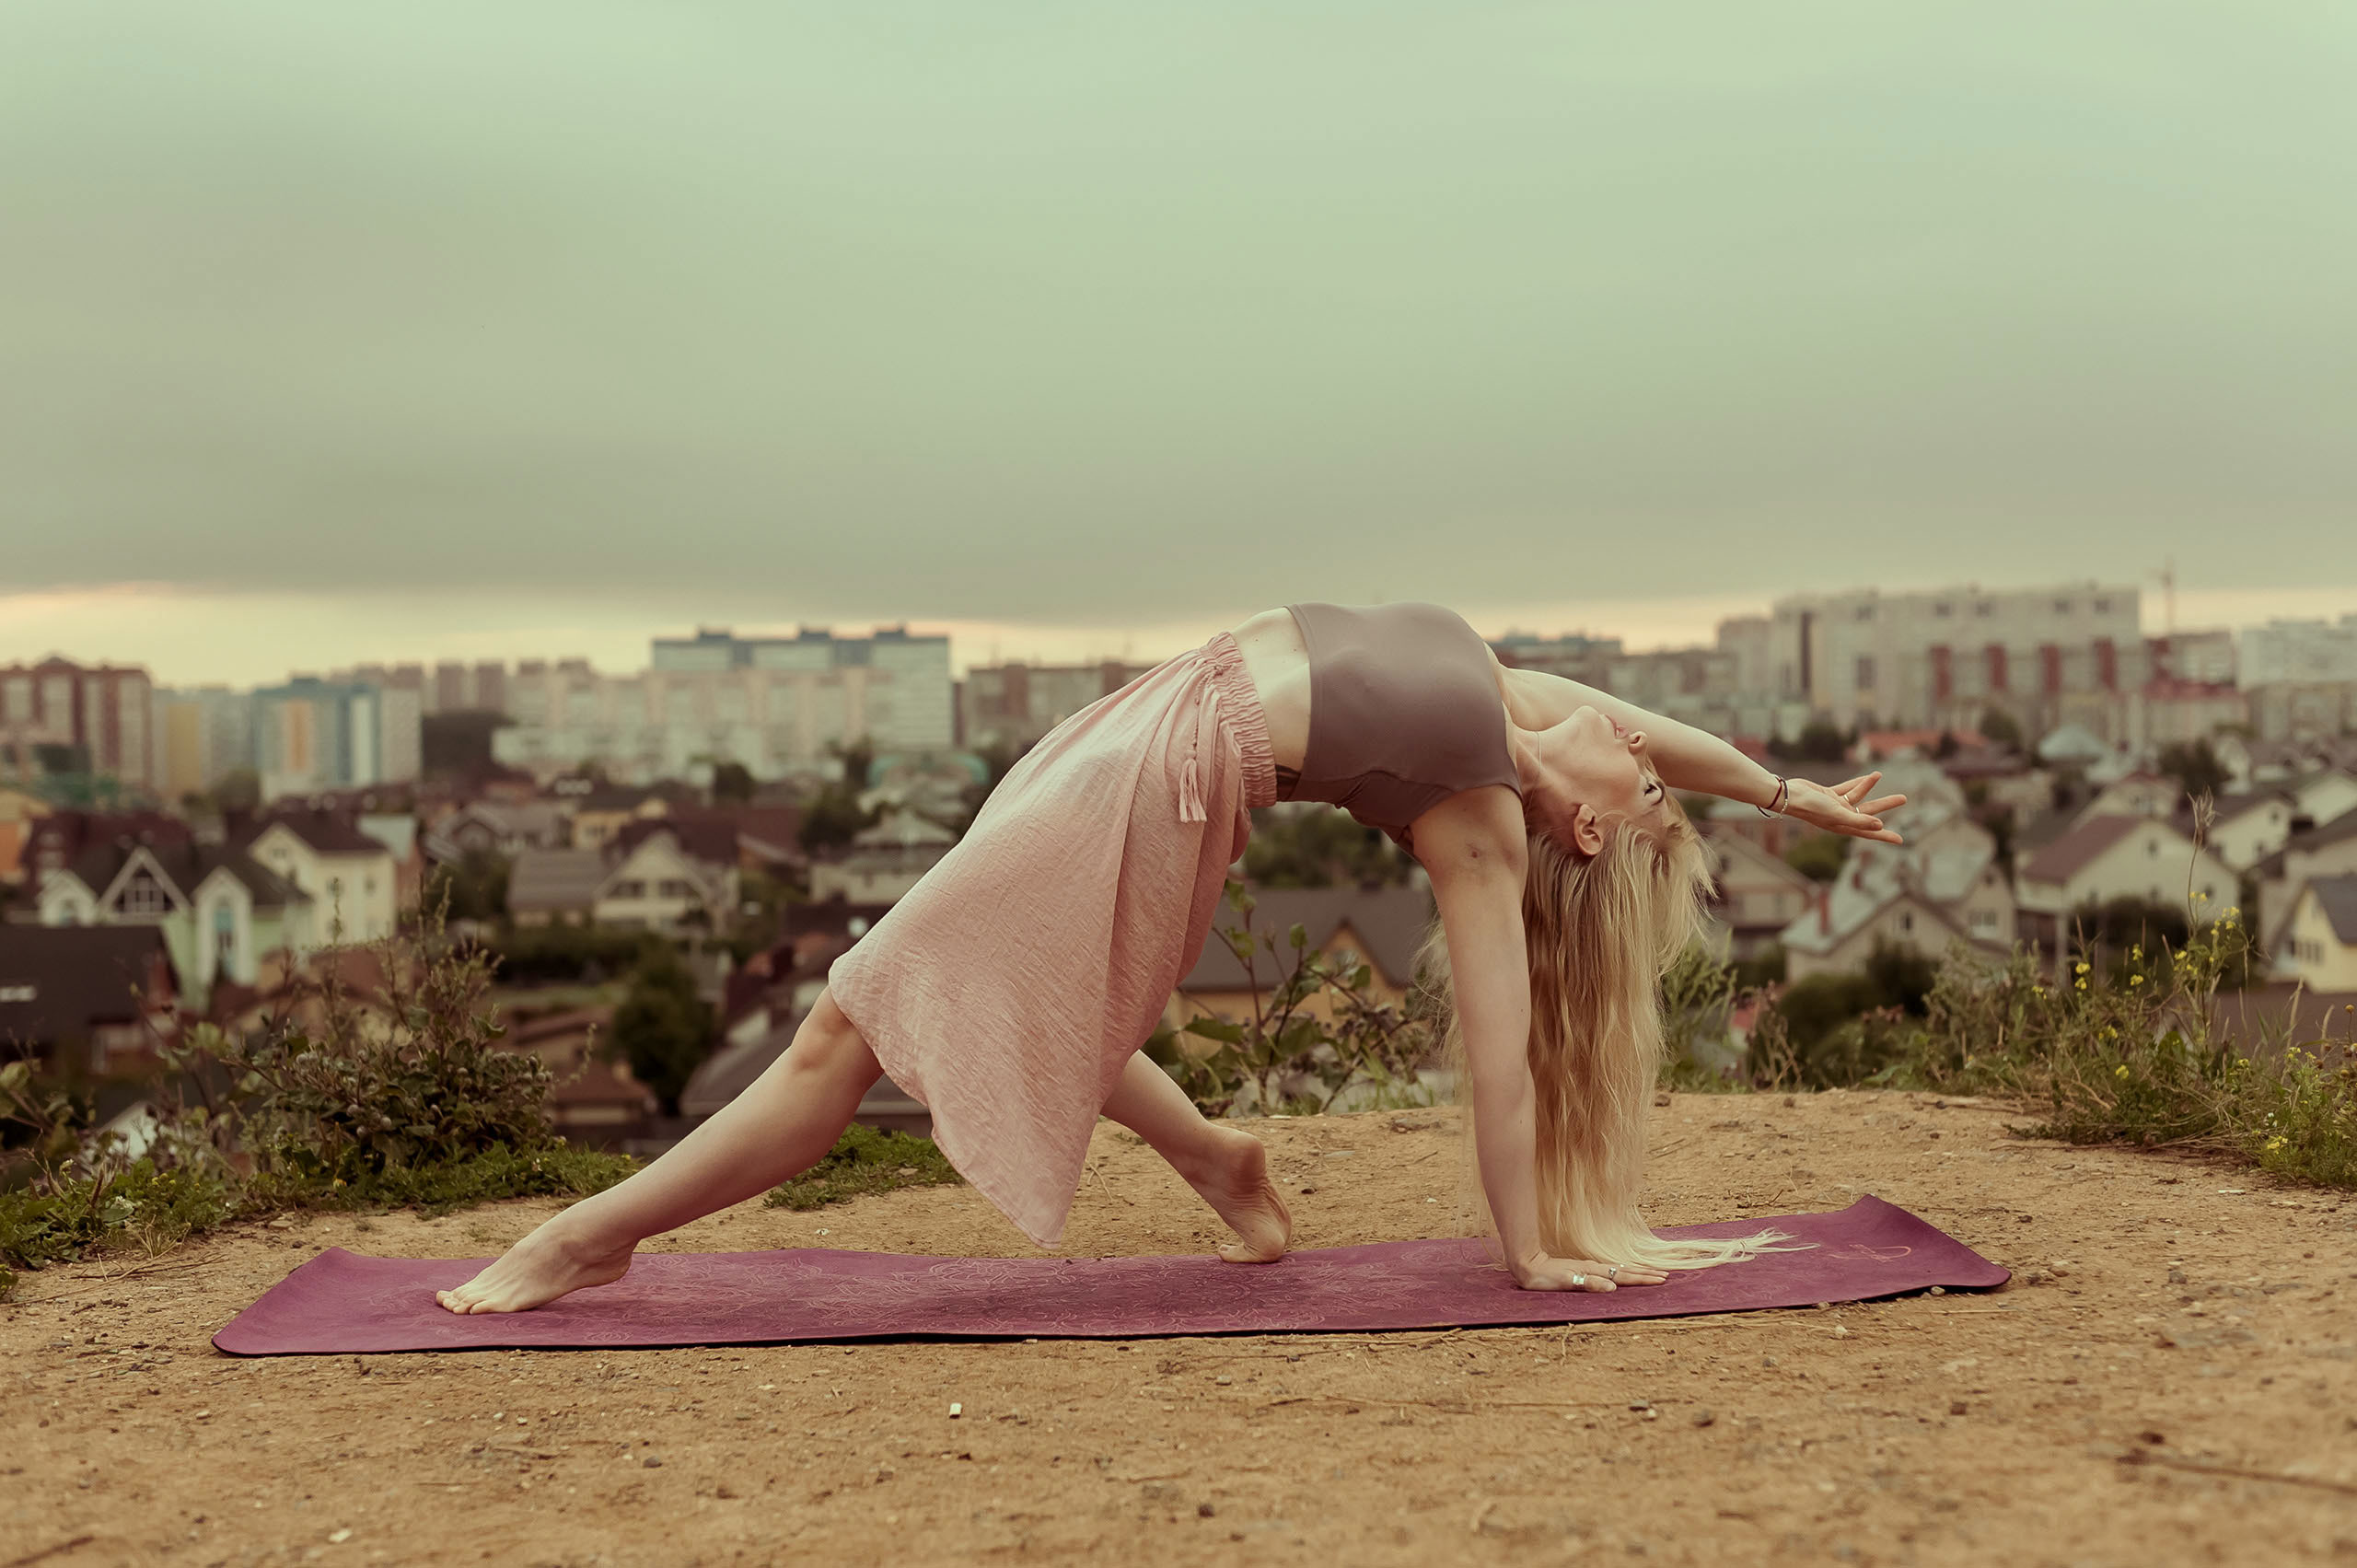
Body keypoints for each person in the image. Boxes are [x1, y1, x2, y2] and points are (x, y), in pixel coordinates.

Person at [437, 603, 1901, 1314]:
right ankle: (1218, 1159)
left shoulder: (1487, 823)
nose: (1644, 748)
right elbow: (1662, 737)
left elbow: (1507, 1060)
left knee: (858, 1017)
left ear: (1583, 837)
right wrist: (1782, 794)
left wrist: (1526, 1248)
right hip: (1131, 723)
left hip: (1150, 784)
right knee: (1005, 994)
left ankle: (591, 1235)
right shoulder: (1523, 710)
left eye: (1645, 790)